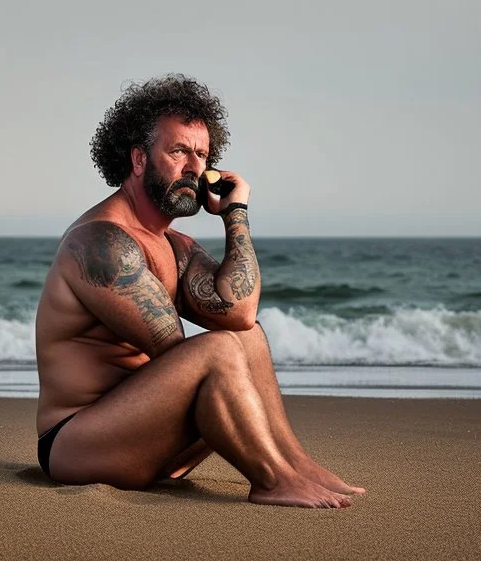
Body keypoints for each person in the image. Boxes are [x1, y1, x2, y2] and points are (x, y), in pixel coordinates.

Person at [34, 74, 364, 508]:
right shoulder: (100, 243)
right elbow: (177, 351)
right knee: (220, 350)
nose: (194, 167)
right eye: (178, 152)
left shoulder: (172, 245)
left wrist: (236, 214)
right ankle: (271, 479)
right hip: (77, 443)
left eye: (202, 155)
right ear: (138, 160)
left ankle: (294, 464)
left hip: (146, 435)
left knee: (246, 335)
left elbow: (240, 312)